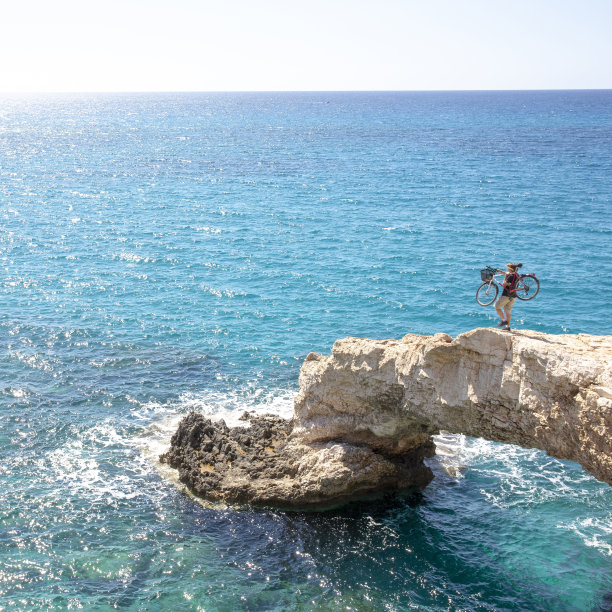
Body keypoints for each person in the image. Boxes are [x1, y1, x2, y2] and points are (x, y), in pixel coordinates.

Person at [495, 263, 520, 330]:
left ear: (510, 269)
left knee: (497, 307)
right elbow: (509, 275)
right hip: (513, 296)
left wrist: (505, 277)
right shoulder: (517, 275)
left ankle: (503, 320)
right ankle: (507, 327)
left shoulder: (510, 276)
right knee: (508, 312)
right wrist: (501, 272)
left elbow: (504, 285)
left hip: (506, 295)